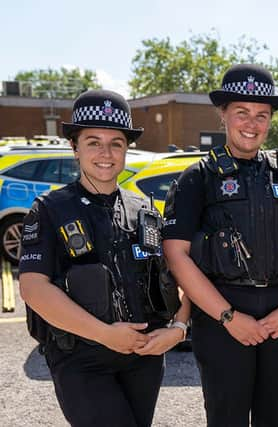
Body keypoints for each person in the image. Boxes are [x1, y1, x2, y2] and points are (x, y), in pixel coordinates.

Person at [162, 64, 278, 426]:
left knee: (277, 415)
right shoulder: (198, 179)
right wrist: (227, 316)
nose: (251, 124)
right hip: (222, 317)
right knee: (227, 417)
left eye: (261, 115)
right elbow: (176, 255)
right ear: (223, 114)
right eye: (242, 113)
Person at [19, 89, 189, 427]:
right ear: (74, 147)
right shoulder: (51, 209)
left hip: (144, 358)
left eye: (116, 143)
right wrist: (105, 334)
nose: (106, 153)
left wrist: (179, 329)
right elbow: (33, 287)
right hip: (81, 360)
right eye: (93, 142)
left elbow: (176, 278)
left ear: (127, 149)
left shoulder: (144, 209)